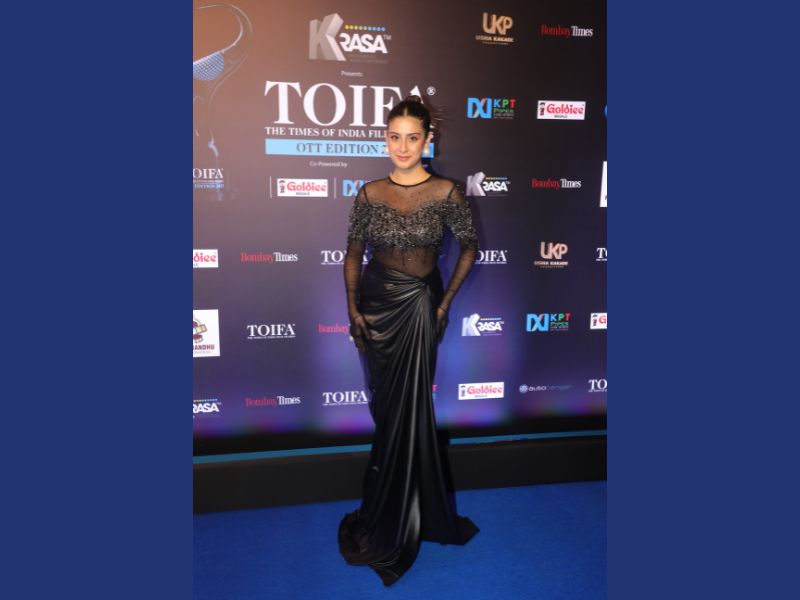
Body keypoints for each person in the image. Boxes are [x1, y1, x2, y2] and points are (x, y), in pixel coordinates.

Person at [337, 95, 480, 586]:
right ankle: (385, 505)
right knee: (385, 406)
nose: (402, 146)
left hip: (419, 305)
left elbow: (469, 248)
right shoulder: (369, 193)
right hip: (375, 304)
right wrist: (352, 307)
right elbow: (353, 252)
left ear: (427, 140)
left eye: (412, 138)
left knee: (411, 408)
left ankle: (407, 515)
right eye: (394, 137)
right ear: (385, 139)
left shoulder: (447, 192)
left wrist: (443, 304)